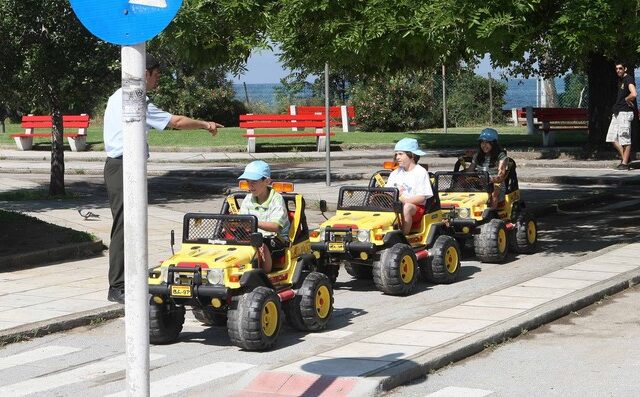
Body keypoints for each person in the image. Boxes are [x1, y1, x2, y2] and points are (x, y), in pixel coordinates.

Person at [103, 54, 223, 304]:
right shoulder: (136, 99)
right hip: (122, 166)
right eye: (156, 75)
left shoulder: (120, 95)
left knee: (129, 224)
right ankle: (118, 285)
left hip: (122, 166)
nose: (158, 79)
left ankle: (128, 279)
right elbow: (176, 122)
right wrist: (205, 124)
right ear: (144, 73)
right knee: (124, 226)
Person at [238, 160, 290, 273]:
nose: (250, 186)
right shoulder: (248, 199)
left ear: (266, 181)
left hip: (277, 239)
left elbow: (276, 226)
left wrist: (253, 223)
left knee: (262, 244)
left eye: (254, 182)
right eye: (248, 182)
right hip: (252, 237)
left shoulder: (276, 199)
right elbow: (241, 220)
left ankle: (263, 275)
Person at [385, 138, 433, 234]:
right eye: (396, 154)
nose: (397, 157)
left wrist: (404, 200)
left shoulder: (420, 172)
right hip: (396, 205)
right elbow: (387, 191)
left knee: (406, 207)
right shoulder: (395, 173)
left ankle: (403, 236)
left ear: (412, 155)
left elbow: (421, 197)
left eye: (401, 154)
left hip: (416, 208)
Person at [466, 128, 508, 208]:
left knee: (494, 194)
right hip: (480, 183)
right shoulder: (477, 156)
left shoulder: (501, 156)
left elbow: (501, 176)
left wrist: (489, 179)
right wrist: (462, 177)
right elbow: (469, 171)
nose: (484, 145)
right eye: (482, 142)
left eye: (487, 143)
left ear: (494, 144)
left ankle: (491, 215)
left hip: (496, 184)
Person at [607, 62, 637, 170]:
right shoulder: (620, 80)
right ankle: (626, 158)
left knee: (625, 139)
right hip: (617, 112)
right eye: (616, 69)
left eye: (620, 68)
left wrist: (626, 99)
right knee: (611, 137)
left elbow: (634, 94)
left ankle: (624, 164)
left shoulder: (628, 79)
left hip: (625, 112)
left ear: (625, 68)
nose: (618, 70)